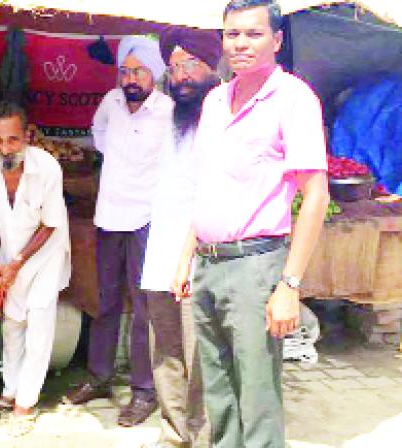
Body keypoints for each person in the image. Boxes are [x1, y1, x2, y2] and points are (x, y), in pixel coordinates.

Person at [172, 1, 330, 447]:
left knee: (257, 400)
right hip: (208, 264)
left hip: (256, 267)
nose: (240, 43)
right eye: (232, 34)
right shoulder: (216, 100)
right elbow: (204, 187)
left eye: (253, 34)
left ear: (276, 40)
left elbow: (316, 195)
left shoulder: (293, 99)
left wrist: (290, 285)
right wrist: (186, 259)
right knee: (219, 396)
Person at [65, 35, 172, 428]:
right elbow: (98, 132)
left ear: (154, 74)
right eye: (125, 71)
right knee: (105, 300)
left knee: (143, 307)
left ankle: (144, 391)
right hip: (108, 215)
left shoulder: (168, 110)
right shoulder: (110, 102)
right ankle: (99, 377)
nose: (130, 78)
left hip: (147, 219)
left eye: (138, 71)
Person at [0, 101, 71, 436]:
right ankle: (10, 392)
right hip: (8, 253)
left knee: (39, 321)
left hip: (45, 252)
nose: (5, 148)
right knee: (12, 322)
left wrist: (19, 262)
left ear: (27, 136)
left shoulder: (47, 167)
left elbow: (50, 224)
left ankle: (26, 403)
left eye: (12, 140)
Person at [139, 26, 224, 448]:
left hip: (203, 255)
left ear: (212, 64)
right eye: (174, 68)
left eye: (190, 65)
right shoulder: (173, 114)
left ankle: (203, 433)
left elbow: (213, 195)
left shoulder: (226, 111)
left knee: (201, 354)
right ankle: (174, 434)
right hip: (161, 254)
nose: (181, 76)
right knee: (166, 350)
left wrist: (185, 261)